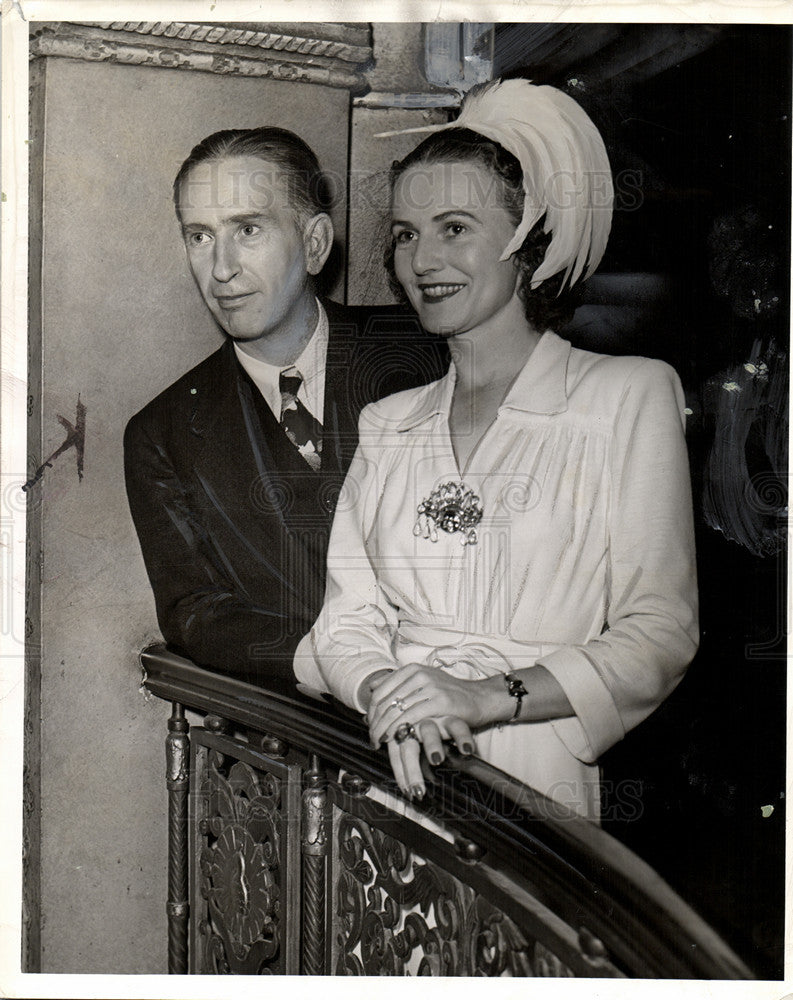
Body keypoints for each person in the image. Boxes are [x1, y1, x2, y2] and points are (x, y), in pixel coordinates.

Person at [294, 79, 699, 820]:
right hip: (391, 759)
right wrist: (390, 694)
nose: (420, 261)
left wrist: (486, 697)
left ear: (528, 243)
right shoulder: (390, 420)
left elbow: (659, 632)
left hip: (532, 774)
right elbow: (345, 622)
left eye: (454, 227)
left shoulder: (627, 395)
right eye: (408, 233)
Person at [124, 127, 450, 688]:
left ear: (316, 244)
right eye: (200, 236)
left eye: (248, 230)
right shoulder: (163, 431)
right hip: (313, 742)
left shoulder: (429, 349)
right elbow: (194, 610)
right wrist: (335, 670)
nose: (221, 269)